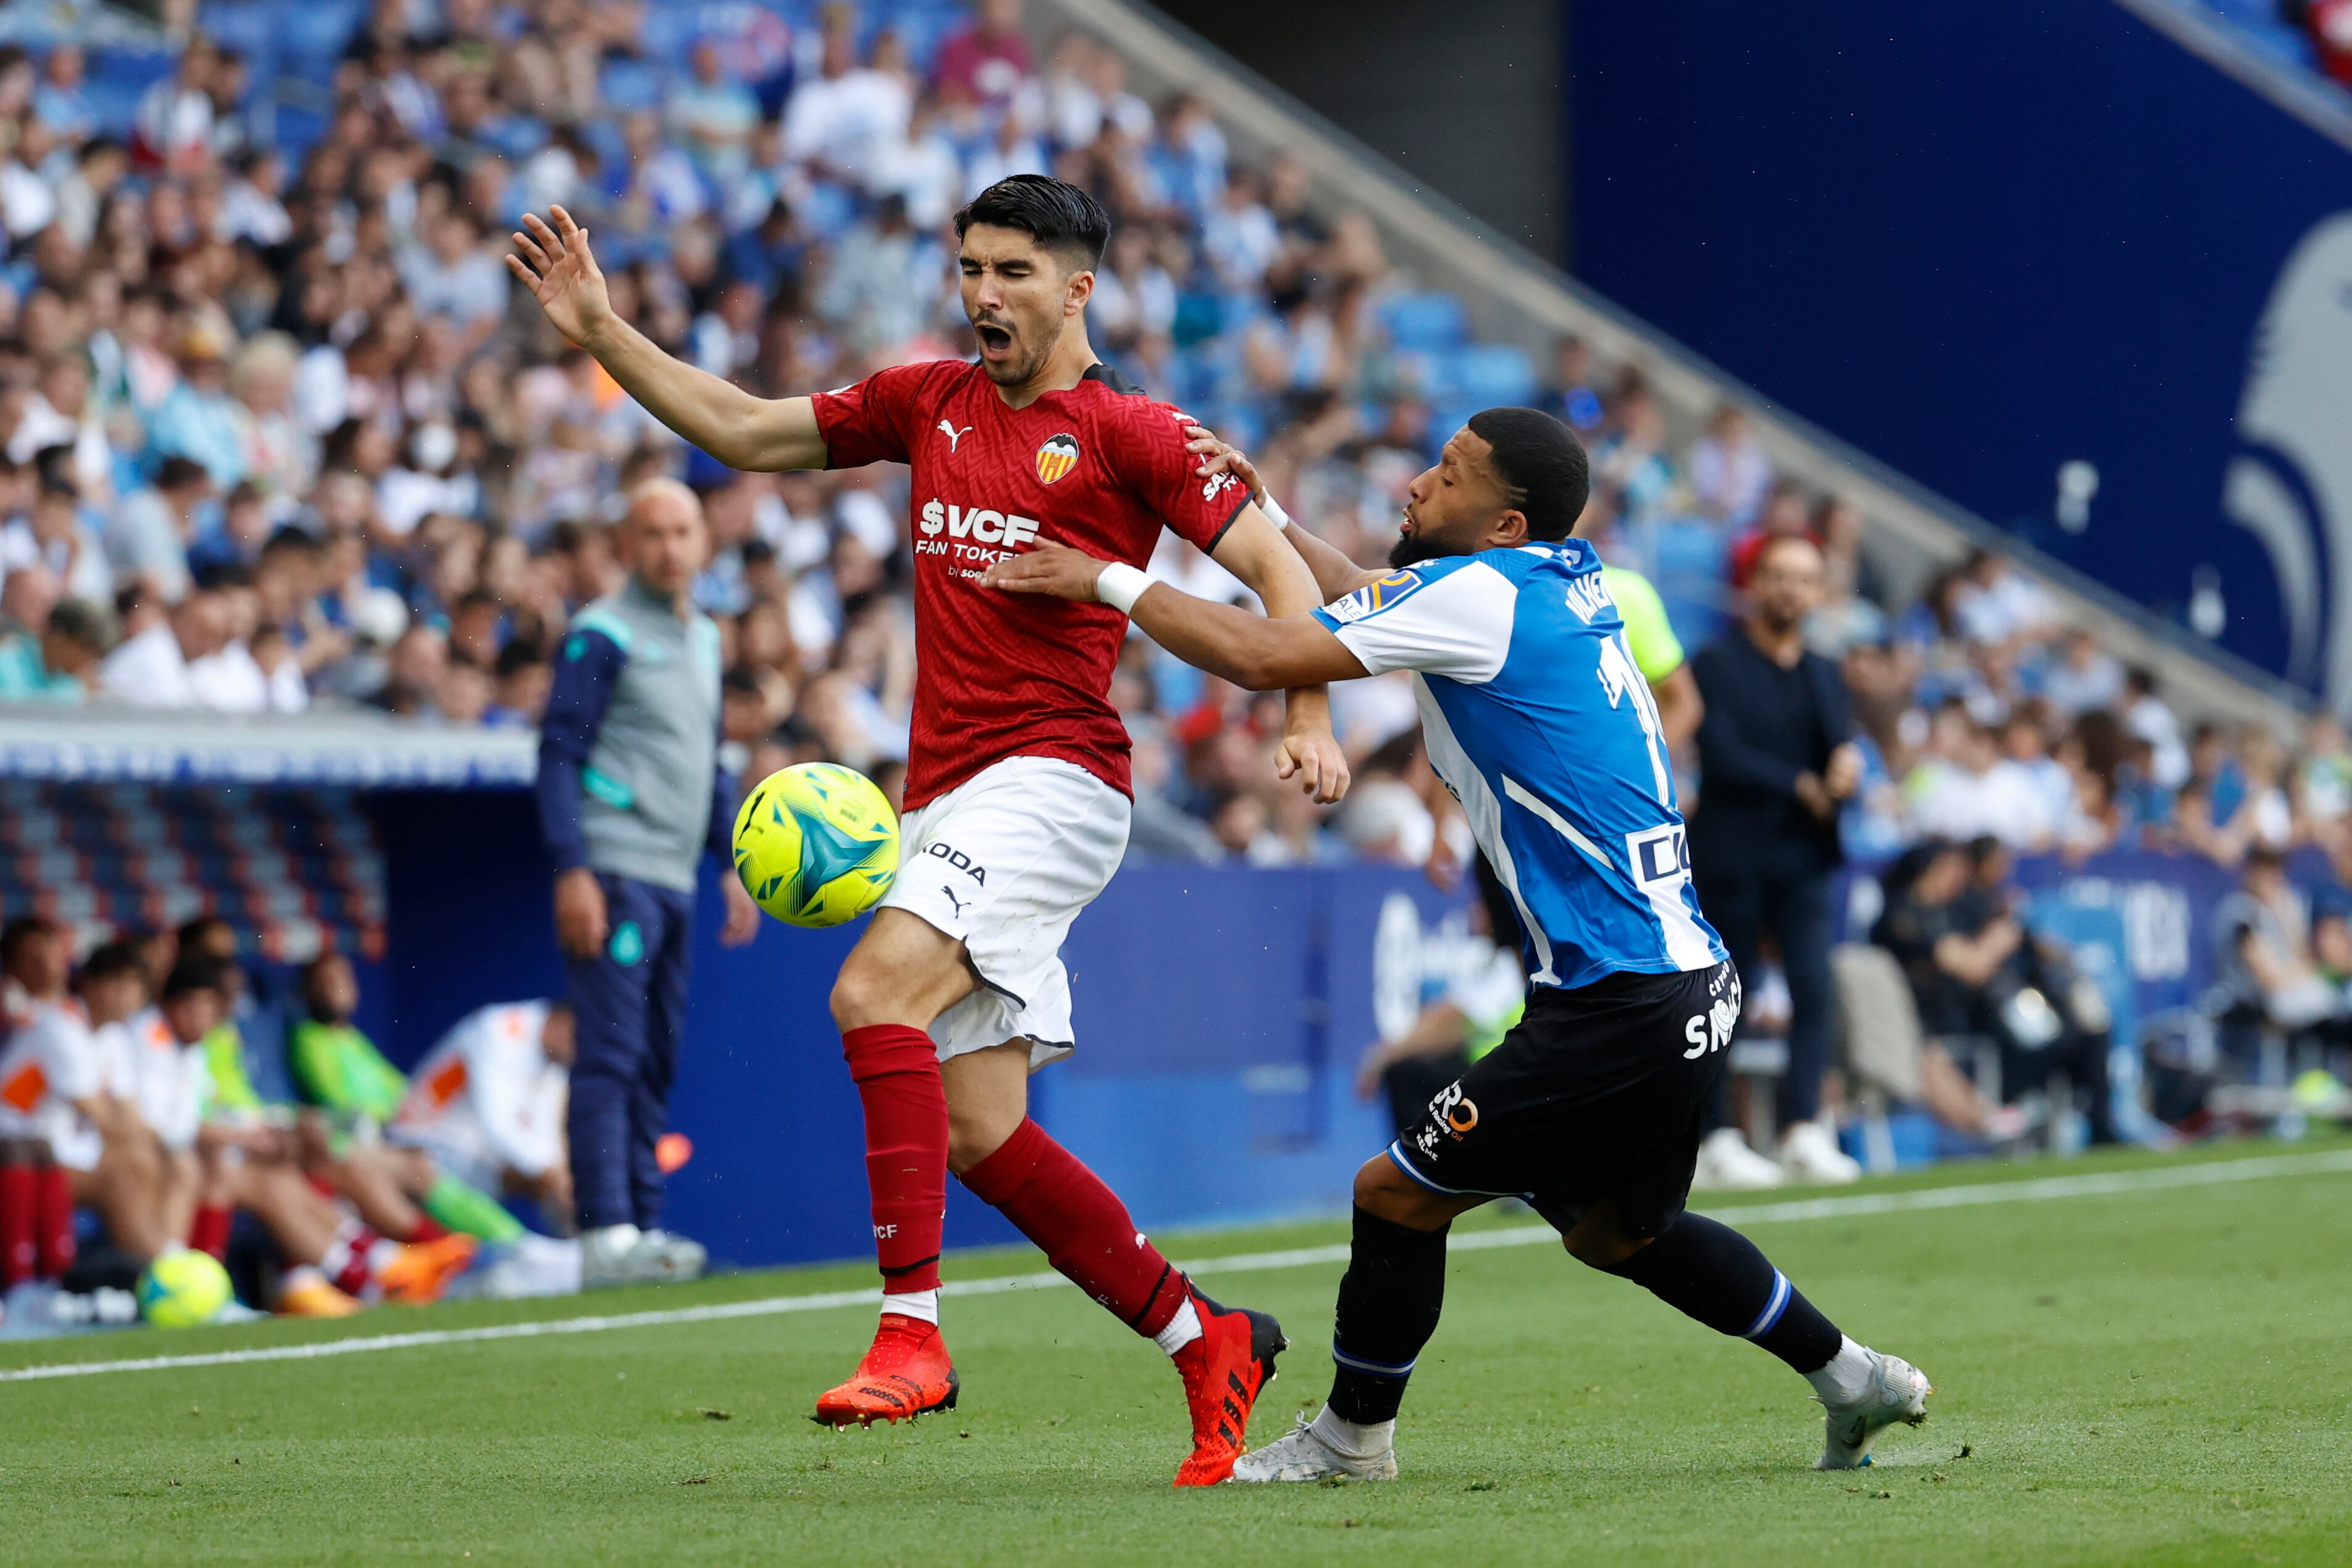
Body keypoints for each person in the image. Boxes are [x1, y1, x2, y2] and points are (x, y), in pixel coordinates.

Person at [508, 175, 1347, 1481]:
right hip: (946, 797)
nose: (981, 295)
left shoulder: (1134, 432)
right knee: (982, 1135)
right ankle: (1208, 1339)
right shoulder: (925, 402)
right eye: (969, 268)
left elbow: (1283, 575)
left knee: (869, 991)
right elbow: (740, 427)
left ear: (1079, 287)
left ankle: (912, 1336)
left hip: (1058, 776)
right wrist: (605, 333)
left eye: (1011, 272)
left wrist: (1307, 714)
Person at [985, 407, 1930, 1482]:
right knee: (1618, 1236)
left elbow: (1259, 652)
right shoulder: (1554, 579)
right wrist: (1270, 518)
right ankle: (1853, 1376)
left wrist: (1106, 577)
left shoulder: (1479, 596)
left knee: (1395, 1193)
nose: (1416, 484)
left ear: (1504, 519)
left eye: (1449, 473)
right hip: (1686, 983)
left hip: (1620, 997)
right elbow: (1371, 600)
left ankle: (1350, 1442)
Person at [536, 479, 761, 1289]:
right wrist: (573, 869)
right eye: (653, 534)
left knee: (657, 1054)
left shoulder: (703, 638)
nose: (670, 548)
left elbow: (703, 760)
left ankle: (640, 1223)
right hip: (615, 867)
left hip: (674, 877)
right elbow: (559, 754)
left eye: (682, 531)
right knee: (612, 1050)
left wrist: (729, 861)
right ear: (626, 545)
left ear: (702, 540)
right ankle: (605, 1232)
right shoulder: (600, 634)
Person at [1688, 536, 1865, 1187]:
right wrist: (1803, 785)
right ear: (1757, 584)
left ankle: (1802, 1128)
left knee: (1815, 990)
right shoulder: (1717, 662)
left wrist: (1845, 773)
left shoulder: (1824, 670)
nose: (1791, 590)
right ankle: (1716, 1138)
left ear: (1819, 592)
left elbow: (1839, 748)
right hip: (1733, 853)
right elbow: (1721, 753)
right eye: (1779, 576)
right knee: (1727, 996)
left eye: (1804, 579)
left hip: (1803, 854)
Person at [287, 952, 537, 1244]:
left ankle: (512, 1242)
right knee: (426, 1170)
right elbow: (339, 1103)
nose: (338, 989)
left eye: (344, 980)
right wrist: (400, 1124)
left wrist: (419, 1116)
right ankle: (503, 1245)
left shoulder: (351, 1038)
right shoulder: (307, 1039)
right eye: (327, 982)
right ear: (310, 990)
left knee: (479, 1156)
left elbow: (403, 1090)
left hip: (404, 1134)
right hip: (366, 1141)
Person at [392, 998, 575, 1232]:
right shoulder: (498, 1028)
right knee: (539, 1177)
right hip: (419, 1144)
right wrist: (554, 1174)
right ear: (568, 1021)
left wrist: (561, 1175)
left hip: (469, 1158)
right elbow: (497, 1126)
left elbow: (544, 1139)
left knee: (551, 1178)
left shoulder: (555, 1059)